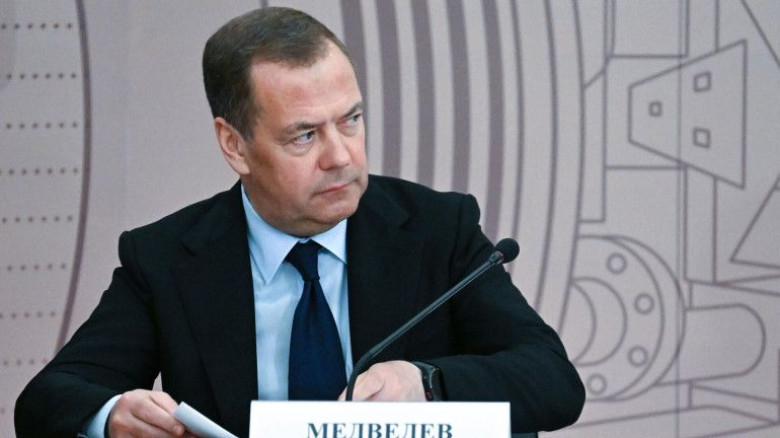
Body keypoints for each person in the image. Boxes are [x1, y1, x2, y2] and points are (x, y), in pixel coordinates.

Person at [15, 7, 584, 437]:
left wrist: (427, 384)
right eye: (305, 135)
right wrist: (113, 414)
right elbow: (47, 399)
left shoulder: (437, 229)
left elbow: (553, 381)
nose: (341, 156)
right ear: (234, 145)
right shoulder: (167, 258)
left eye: (351, 120)